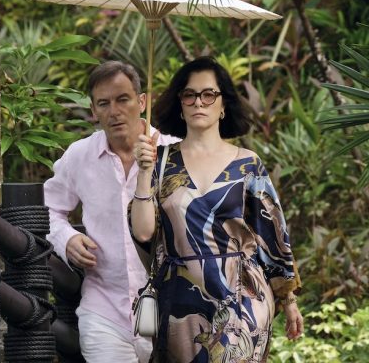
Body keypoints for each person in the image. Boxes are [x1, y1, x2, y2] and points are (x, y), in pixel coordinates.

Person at [130, 56, 304, 363]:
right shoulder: (159, 162)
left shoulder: (248, 164)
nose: (199, 102)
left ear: (223, 105)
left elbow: (273, 235)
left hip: (243, 297)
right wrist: (144, 172)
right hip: (180, 302)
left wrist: (288, 300)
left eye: (208, 94)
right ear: (180, 104)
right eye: (190, 94)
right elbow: (143, 233)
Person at [44, 61, 179, 363]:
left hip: (172, 309)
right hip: (104, 310)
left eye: (123, 99)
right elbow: (47, 209)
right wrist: (66, 239)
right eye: (103, 103)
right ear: (93, 110)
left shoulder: (176, 154)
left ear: (141, 102)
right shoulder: (80, 156)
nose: (114, 111)